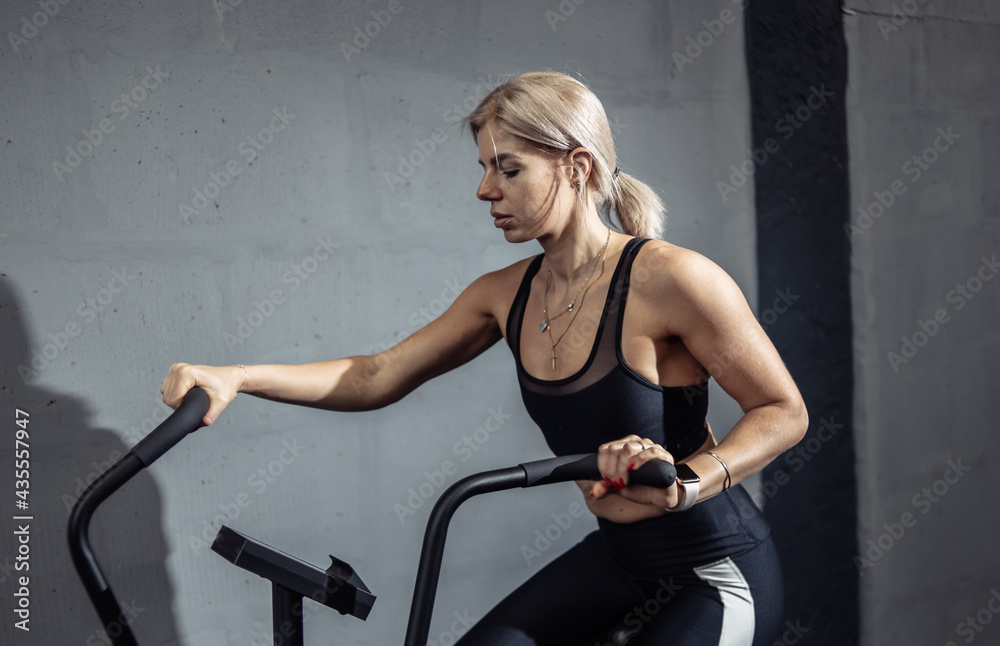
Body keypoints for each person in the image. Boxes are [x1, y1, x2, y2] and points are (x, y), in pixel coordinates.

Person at [160, 70, 808, 646]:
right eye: (484, 167)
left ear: (576, 167)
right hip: (618, 556)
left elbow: (783, 410)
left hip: (714, 569)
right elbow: (374, 374)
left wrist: (688, 483)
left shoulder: (672, 279)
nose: (483, 190)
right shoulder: (504, 296)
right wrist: (236, 376)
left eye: (508, 168)